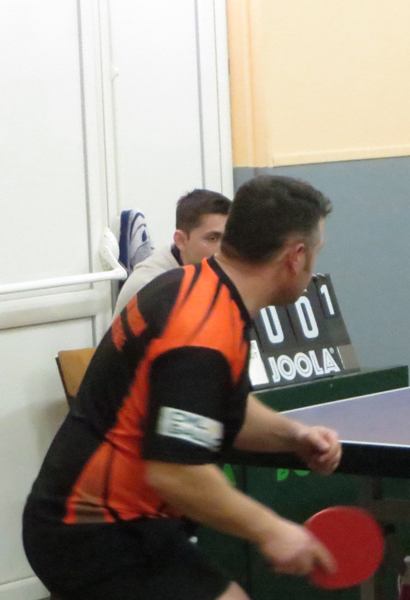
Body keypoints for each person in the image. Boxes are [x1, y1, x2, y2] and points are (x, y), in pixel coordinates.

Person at [24, 176, 341, 600]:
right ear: (296, 256)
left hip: (114, 522)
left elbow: (215, 408)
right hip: (93, 530)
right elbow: (176, 471)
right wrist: (273, 530)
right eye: (317, 252)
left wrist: (294, 435)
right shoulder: (201, 334)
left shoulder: (197, 288)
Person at [113, 189, 231, 316]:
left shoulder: (220, 273)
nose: (225, 249)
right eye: (212, 238)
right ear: (181, 240)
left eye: (229, 238)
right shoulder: (151, 286)